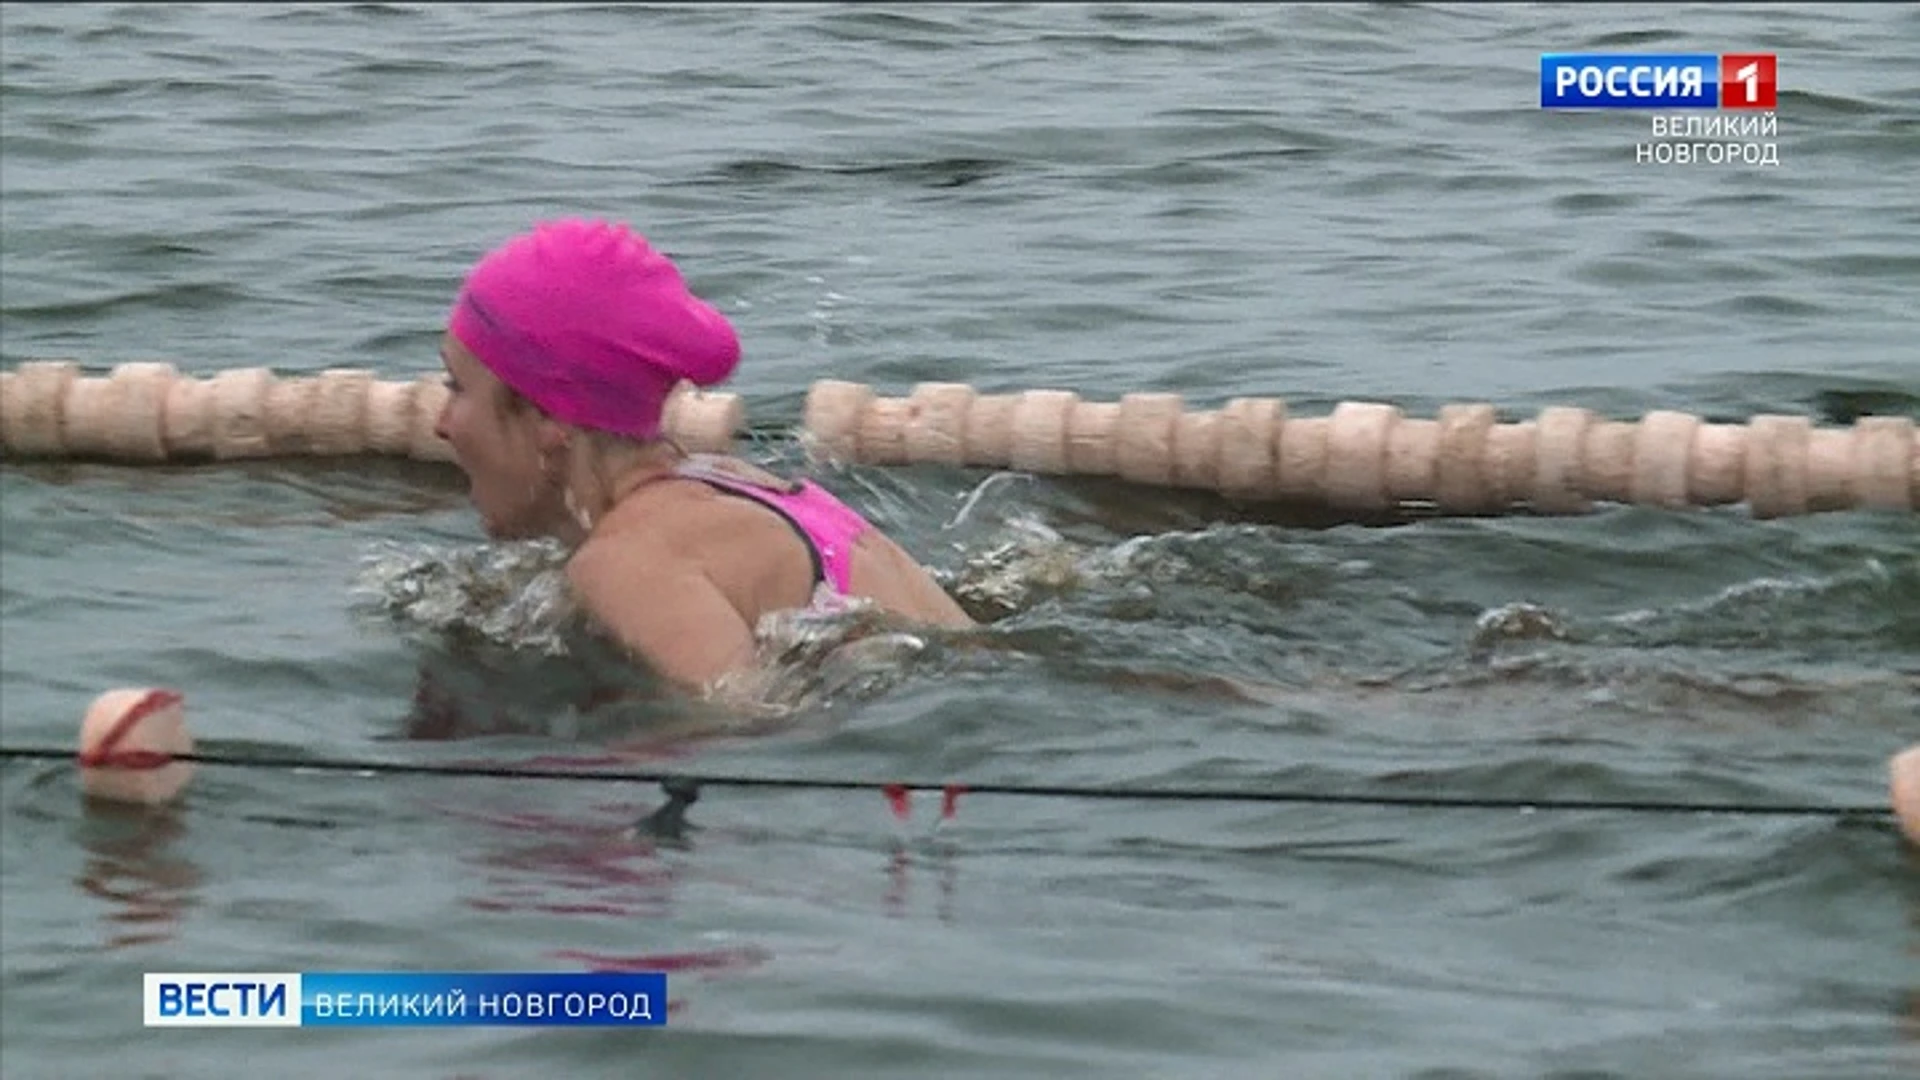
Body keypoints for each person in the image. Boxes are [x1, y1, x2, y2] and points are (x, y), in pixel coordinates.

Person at [432, 218, 974, 699]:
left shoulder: (625, 560)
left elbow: (751, 719)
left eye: (457, 388)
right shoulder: (732, 481)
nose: (440, 423)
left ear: (548, 418)